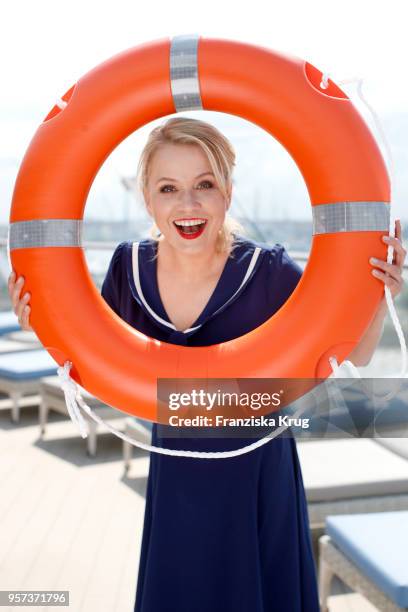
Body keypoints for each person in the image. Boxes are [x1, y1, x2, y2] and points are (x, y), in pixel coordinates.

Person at [9, 117, 406, 612]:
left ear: (227, 194)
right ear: (149, 201)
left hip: (259, 473)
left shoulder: (268, 272)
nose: (189, 204)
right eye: (169, 188)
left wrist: (379, 293)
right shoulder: (128, 272)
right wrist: (39, 321)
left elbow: (358, 352)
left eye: (205, 185)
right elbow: (88, 362)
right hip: (178, 473)